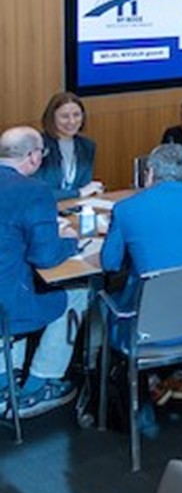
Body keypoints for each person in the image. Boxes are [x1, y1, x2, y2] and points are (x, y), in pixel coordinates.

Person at [102, 143, 182, 404]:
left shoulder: (127, 209)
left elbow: (110, 263)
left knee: (103, 300)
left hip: (148, 327)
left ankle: (150, 379)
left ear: (149, 173)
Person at [0, 126, 88, 418]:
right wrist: (70, 242)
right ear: (33, 157)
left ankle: (4, 383)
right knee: (77, 292)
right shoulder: (34, 191)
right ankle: (41, 383)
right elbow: (46, 257)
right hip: (10, 304)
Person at [35, 92, 102, 200]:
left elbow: (86, 186)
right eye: (65, 116)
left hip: (75, 208)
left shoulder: (87, 146)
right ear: (52, 118)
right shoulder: (38, 146)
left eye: (76, 115)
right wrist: (78, 193)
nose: (72, 121)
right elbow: (39, 193)